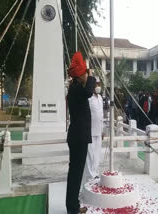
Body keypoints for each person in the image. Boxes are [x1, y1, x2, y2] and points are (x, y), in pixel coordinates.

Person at [66, 52, 96, 214]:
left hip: (77, 136)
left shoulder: (74, 87)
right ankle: (73, 209)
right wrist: (91, 77)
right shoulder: (78, 88)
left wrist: (88, 75)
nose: (88, 76)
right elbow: (89, 92)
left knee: (75, 173)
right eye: (85, 73)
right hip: (78, 138)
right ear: (80, 75)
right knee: (76, 174)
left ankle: (73, 206)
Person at [82, 78, 104, 185]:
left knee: (97, 153)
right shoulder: (89, 98)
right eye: (96, 84)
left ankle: (95, 172)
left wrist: (103, 130)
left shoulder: (100, 98)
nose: (98, 86)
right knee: (89, 154)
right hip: (89, 130)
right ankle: (90, 175)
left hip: (99, 130)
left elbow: (101, 115)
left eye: (99, 84)